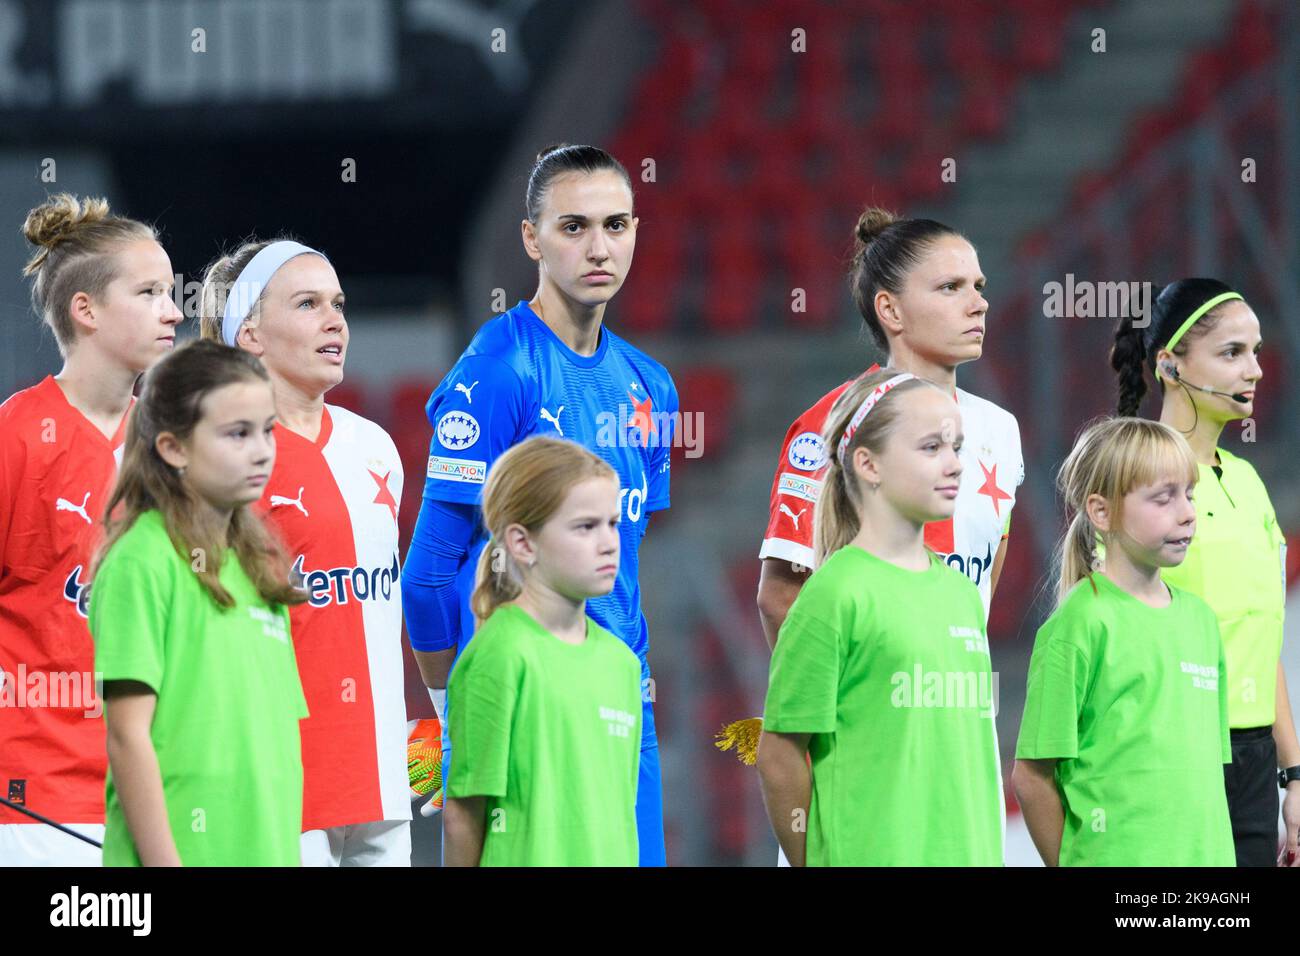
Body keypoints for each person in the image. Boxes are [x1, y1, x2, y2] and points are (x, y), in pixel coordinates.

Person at [403, 144, 677, 866]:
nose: (599, 247)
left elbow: (627, 563)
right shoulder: (499, 370)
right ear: (531, 239)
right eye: (573, 227)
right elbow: (430, 570)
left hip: (622, 691)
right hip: (523, 702)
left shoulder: (653, 387)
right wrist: (445, 716)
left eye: (617, 226)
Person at [198, 238, 410, 866]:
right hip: (274, 780)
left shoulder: (375, 446)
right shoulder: (220, 457)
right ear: (252, 333)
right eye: (309, 303)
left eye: (338, 303)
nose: (335, 320)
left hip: (380, 777)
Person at [756, 369, 1003, 866]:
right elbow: (778, 753)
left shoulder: (961, 593)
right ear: (868, 464)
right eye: (931, 448)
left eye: (956, 447)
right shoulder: (833, 595)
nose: (955, 464)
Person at [0, 193, 181, 865]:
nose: (174, 309)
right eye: (150, 292)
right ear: (87, 311)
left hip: (165, 787)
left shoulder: (176, 442)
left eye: (171, 291)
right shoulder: (16, 438)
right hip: (38, 801)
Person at [89, 339, 309, 866]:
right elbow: (127, 737)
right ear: (173, 448)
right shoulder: (142, 561)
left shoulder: (259, 567)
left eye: (268, 430)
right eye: (238, 433)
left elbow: (272, 748)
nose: (262, 450)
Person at [1111, 279, 1296, 866]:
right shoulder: (1128, 477)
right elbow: (1109, 639)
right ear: (1170, 364)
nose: (1255, 371)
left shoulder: (1247, 480)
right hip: (1168, 755)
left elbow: (1260, 644)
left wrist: (1293, 776)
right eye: (1231, 353)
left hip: (1253, 764)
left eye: (1257, 352)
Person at [1013, 416, 1235, 866]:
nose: (1188, 512)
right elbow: (1032, 779)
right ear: (1101, 511)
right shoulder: (1080, 623)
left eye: (1189, 494)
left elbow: (1205, 776)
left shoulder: (1201, 621)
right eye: (1163, 498)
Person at [443, 437, 641, 866]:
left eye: (613, 523)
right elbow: (464, 815)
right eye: (586, 526)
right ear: (522, 543)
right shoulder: (501, 654)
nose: (609, 542)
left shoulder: (623, 664)